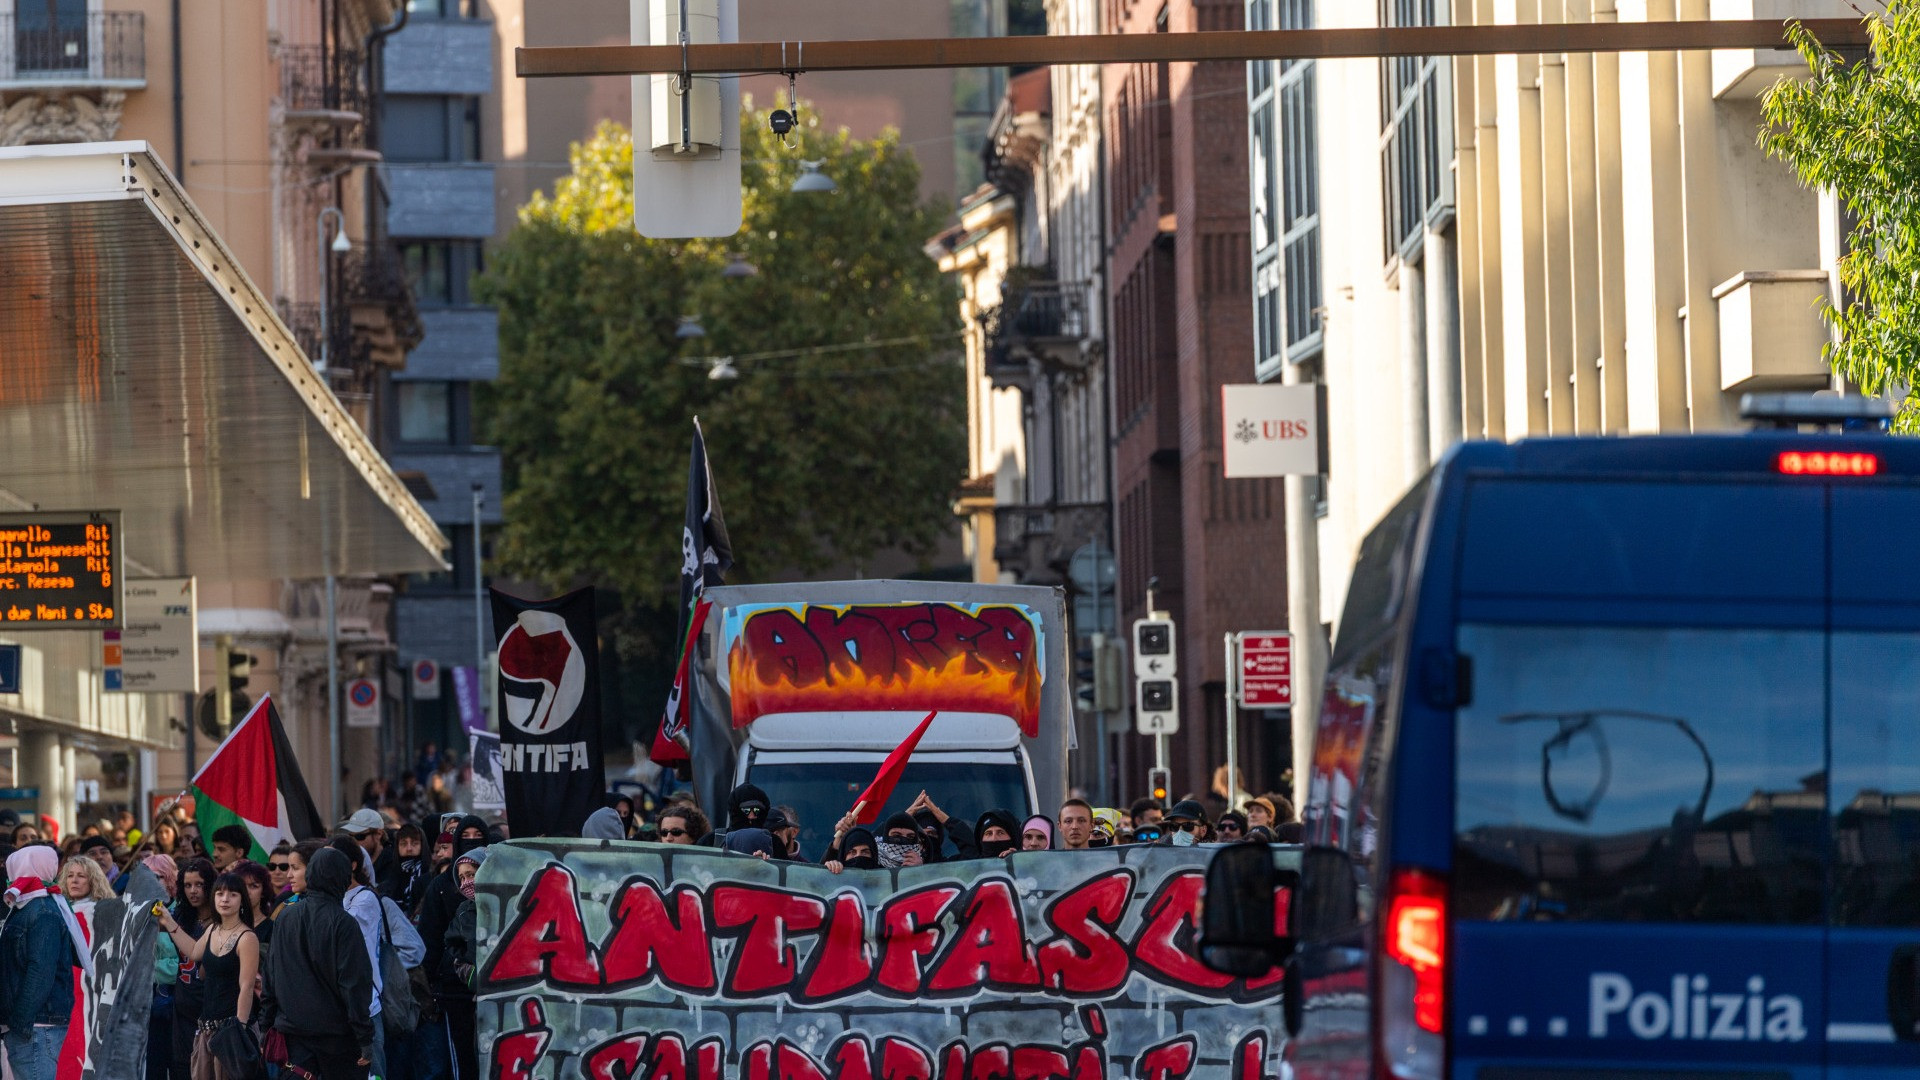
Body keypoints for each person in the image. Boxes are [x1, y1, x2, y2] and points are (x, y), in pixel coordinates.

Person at [262, 847, 374, 1080]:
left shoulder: (285, 917)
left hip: (294, 1039)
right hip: (337, 1041)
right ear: (342, 879)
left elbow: (270, 976)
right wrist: (364, 1037)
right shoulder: (343, 923)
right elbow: (354, 985)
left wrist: (266, 1025)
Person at [153, 872, 258, 1080]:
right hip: (207, 1028)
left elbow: (246, 987)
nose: (225, 899)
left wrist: (240, 1031)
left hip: (232, 1030)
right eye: (219, 894)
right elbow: (192, 951)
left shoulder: (247, 938)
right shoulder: (212, 929)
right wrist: (167, 919)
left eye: (233, 894)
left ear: (242, 900)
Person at [2, 845, 87, 1080]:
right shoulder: (29, 906)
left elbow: (40, 970)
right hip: (31, 1023)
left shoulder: (42, 912)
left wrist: (20, 1022)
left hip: (36, 1025)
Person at [329, 836, 387, 1079]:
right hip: (335, 1005)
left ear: (352, 865)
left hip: (366, 1003)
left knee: (372, 1072)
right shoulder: (331, 899)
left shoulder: (364, 899)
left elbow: (341, 933)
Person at [56, 856, 111, 1080]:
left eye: (81, 876)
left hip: (92, 991)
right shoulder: (59, 910)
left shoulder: (102, 913)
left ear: (93, 880)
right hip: (65, 989)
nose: (74, 881)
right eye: (70, 876)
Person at [170, 858, 217, 1079]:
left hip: (212, 1014)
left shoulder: (222, 921)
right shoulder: (179, 917)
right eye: (187, 885)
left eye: (199, 884)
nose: (193, 891)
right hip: (183, 1013)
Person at [143, 855, 181, 1080]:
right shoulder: (137, 914)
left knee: (176, 1065)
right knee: (152, 1069)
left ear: (168, 879)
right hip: (144, 1003)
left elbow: (184, 964)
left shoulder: (181, 913)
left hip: (175, 1003)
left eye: (155, 877)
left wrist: (147, 967)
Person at [337, 809, 386, 886]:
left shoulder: (391, 862)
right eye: (350, 836)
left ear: (379, 834)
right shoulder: (352, 859)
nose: (354, 841)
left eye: (359, 836)